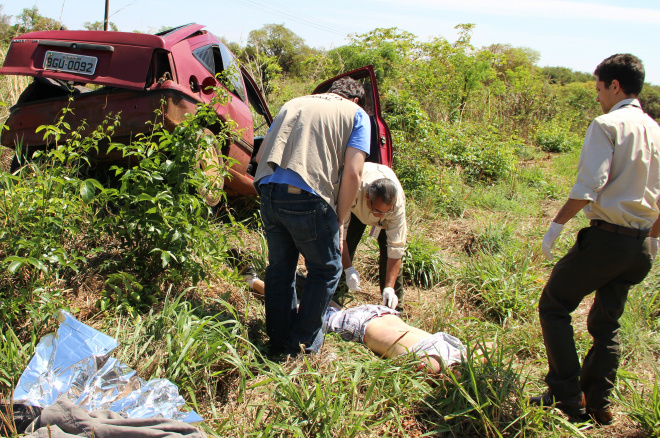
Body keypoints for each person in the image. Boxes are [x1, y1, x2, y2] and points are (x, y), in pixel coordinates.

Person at [532, 54, 660, 426]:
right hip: (638, 245)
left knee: (555, 304)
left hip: (607, 239)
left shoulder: (607, 124)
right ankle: (599, 402)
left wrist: (556, 225)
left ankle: (566, 392)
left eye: (600, 87)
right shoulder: (655, 129)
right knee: (607, 324)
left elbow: (590, 186)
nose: (598, 95)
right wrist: (652, 240)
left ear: (615, 86)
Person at [253, 77, 370, 358]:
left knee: (280, 269)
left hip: (268, 190)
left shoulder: (293, 103)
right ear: (355, 99)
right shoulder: (357, 114)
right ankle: (301, 349)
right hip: (307, 197)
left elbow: (259, 158)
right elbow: (354, 173)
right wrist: (339, 219)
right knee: (327, 269)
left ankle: (279, 342)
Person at [242, 272, 466, 373]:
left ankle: (303, 285)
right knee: (301, 309)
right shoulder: (436, 364)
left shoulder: (457, 348)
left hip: (378, 315)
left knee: (318, 306)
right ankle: (253, 281)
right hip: (361, 324)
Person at [342, 162, 408, 310]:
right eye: (378, 210)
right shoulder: (353, 188)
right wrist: (348, 269)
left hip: (386, 221)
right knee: (344, 251)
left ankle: (394, 309)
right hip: (355, 211)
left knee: (389, 259)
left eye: (386, 211)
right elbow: (340, 234)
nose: (381, 215)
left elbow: (396, 249)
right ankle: (336, 298)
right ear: (367, 198)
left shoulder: (397, 206)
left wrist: (389, 287)